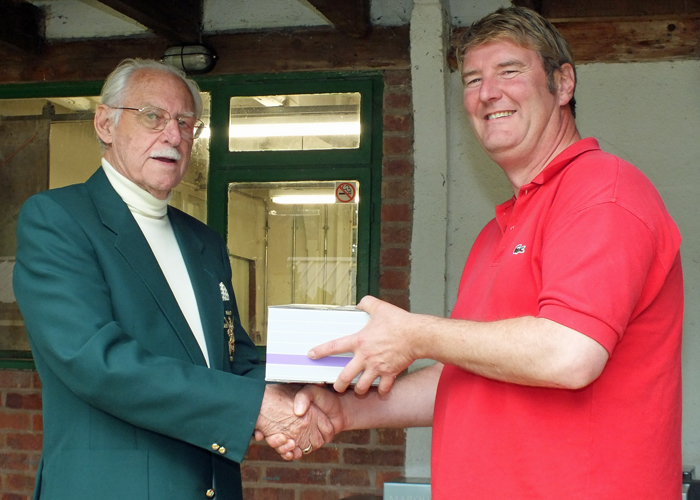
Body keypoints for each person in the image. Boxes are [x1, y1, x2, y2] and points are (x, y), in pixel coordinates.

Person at [284, 6, 684, 499]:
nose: (487, 92)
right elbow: (467, 375)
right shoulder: (495, 232)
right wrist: (345, 412)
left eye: (510, 71)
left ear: (563, 85)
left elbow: (569, 353)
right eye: (472, 79)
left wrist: (416, 334)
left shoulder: (603, 190)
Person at [12, 58, 330, 500]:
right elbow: (97, 363)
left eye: (185, 122)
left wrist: (315, 388)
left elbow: (233, 359)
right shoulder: (58, 219)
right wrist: (256, 407)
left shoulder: (203, 240)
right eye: (152, 117)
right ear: (104, 123)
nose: (173, 135)